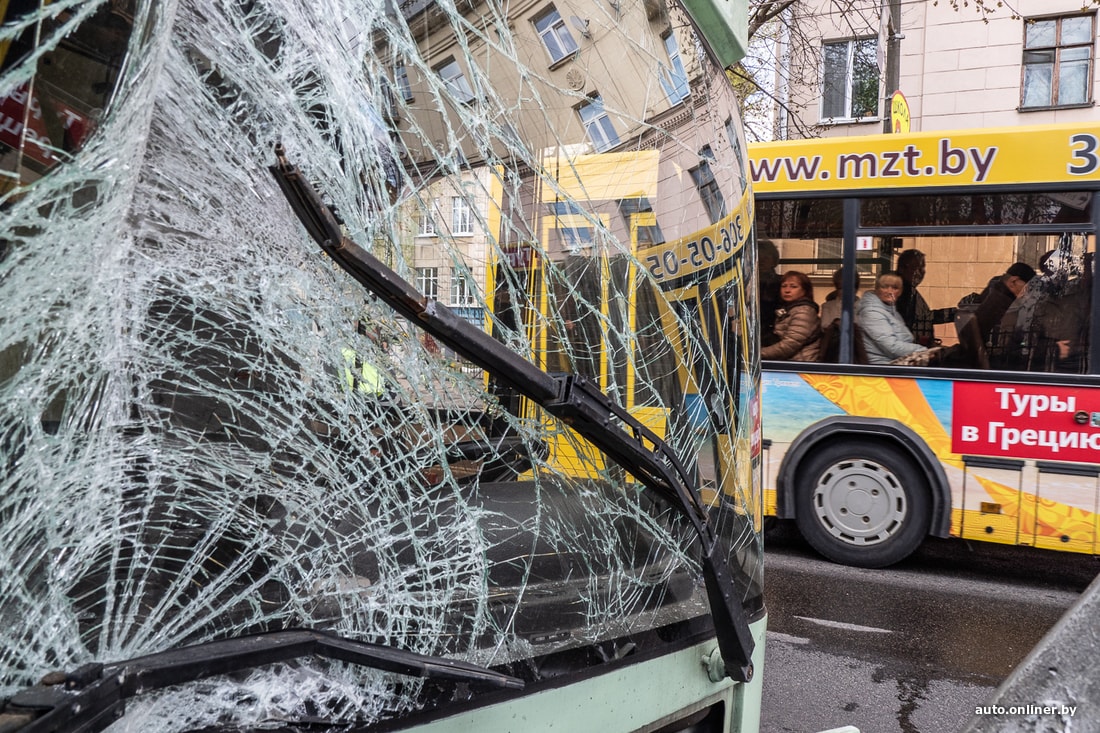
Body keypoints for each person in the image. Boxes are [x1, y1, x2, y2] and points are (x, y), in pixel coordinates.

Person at [856, 271, 928, 364]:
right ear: (877, 289)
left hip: (895, 363)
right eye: (884, 287)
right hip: (883, 367)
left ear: (900, 292)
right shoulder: (871, 313)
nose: (890, 292)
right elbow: (892, 347)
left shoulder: (891, 310)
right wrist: (924, 350)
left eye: (895, 288)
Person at [895, 249, 956, 347]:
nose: (921, 272)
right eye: (916, 268)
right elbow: (916, 321)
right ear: (902, 269)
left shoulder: (909, 290)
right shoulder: (900, 292)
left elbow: (924, 318)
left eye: (922, 268)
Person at [761, 271, 821, 362]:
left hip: (799, 364)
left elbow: (789, 345)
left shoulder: (804, 311)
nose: (787, 290)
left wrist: (757, 354)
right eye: (784, 286)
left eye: (793, 287)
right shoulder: (789, 308)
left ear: (805, 290)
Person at [972, 262, 1036, 343]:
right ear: (1013, 282)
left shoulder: (994, 294)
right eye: (1028, 288)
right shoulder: (1002, 302)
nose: (1029, 293)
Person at [758, 238, 781, 346]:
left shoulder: (782, 282)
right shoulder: (744, 282)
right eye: (758, 257)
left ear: (774, 261)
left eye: (766, 258)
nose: (761, 261)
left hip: (773, 334)